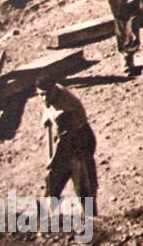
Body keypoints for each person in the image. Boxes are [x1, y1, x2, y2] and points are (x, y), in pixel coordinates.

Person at [38, 77, 99, 216]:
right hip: (67, 140)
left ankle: (92, 220)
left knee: (83, 186)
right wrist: (46, 117)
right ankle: (50, 219)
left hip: (79, 143)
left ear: (53, 89)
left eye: (46, 93)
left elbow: (62, 143)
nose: (43, 97)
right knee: (52, 184)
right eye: (40, 94)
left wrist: (52, 162)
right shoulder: (53, 92)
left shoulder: (65, 111)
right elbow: (47, 105)